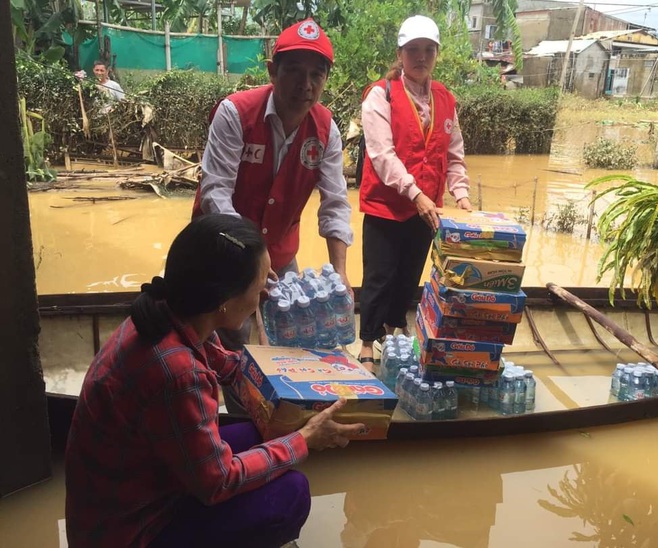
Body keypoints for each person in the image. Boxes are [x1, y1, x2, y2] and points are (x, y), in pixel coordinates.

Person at [64, 214, 364, 548]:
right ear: (225, 300)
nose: (265, 294)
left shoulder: (172, 313)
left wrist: (313, 380)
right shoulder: (180, 372)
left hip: (138, 486)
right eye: (260, 283)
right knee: (290, 494)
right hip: (132, 532)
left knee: (261, 432)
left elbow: (234, 368)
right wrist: (304, 439)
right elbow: (218, 482)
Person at [192, 18, 354, 408]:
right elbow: (216, 193)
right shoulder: (235, 114)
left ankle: (284, 417)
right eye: (294, 72)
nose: (306, 84)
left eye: (317, 74)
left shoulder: (326, 129)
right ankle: (232, 420)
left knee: (293, 338)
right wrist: (252, 262)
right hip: (221, 253)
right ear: (272, 71)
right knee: (228, 340)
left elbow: (334, 202)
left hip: (281, 253)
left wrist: (342, 274)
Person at [357, 15, 472, 364]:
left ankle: (395, 327)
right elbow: (381, 154)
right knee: (379, 275)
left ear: (436, 54)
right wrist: (415, 193)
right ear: (400, 54)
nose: (421, 57)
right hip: (387, 204)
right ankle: (366, 340)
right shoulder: (381, 95)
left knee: (410, 273)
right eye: (413, 50)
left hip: (428, 208)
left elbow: (454, 156)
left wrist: (463, 197)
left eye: (428, 50)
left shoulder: (446, 99)